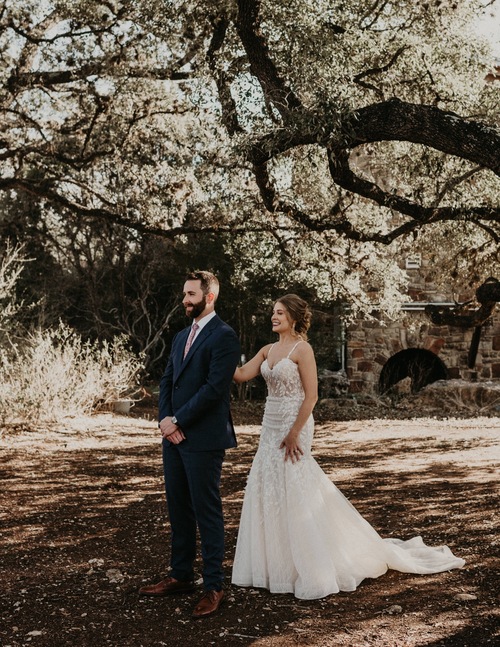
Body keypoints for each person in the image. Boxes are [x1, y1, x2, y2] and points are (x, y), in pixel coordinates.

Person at [231, 294, 465, 600]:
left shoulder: (303, 349)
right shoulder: (267, 349)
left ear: (294, 317)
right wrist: (220, 352)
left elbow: (311, 397)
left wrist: (293, 433)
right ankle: (276, 565)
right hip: (270, 425)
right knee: (270, 485)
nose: (273, 317)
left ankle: (313, 564)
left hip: (296, 424)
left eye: (279, 313)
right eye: (273, 312)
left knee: (296, 486)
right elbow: (240, 375)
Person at [139, 271, 241, 618]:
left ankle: (214, 585)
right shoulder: (181, 334)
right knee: (178, 509)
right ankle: (181, 575)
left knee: (206, 511)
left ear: (208, 297)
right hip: (174, 438)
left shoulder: (225, 336)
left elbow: (214, 390)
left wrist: (178, 420)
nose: (185, 300)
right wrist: (166, 423)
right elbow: (167, 380)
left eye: (191, 294)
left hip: (204, 439)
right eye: (184, 293)